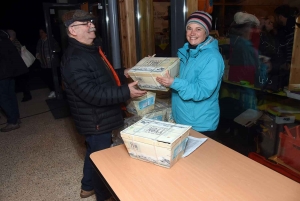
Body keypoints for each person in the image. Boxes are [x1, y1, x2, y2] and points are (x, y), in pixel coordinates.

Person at [60, 10, 146, 200]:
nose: (92, 25)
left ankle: (87, 186)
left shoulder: (88, 50)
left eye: (91, 21)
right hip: (95, 119)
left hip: (97, 116)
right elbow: (92, 93)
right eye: (85, 23)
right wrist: (126, 91)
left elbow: (101, 77)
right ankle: (102, 195)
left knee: (94, 152)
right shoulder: (75, 59)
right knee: (103, 162)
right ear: (72, 30)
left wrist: (123, 72)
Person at [156, 11, 224, 139]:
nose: (192, 33)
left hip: (200, 125)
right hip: (182, 120)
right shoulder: (186, 53)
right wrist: (154, 66)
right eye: (189, 28)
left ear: (206, 32)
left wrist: (174, 83)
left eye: (198, 29)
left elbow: (202, 90)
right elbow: (178, 76)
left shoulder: (213, 58)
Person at [0, 29, 28, 132]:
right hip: (11, 72)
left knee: (3, 97)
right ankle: (16, 118)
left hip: (2, 74)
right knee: (11, 95)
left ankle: (13, 121)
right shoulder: (5, 38)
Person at [7, 29, 32, 102]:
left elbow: (16, 54)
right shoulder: (14, 42)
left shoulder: (15, 42)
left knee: (22, 81)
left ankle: (27, 95)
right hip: (19, 66)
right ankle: (26, 95)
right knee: (21, 82)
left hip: (19, 66)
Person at [274, 4, 296, 86]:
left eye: (276, 17)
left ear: (280, 17)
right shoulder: (292, 26)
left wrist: (289, 63)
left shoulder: (290, 29)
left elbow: (292, 46)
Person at [36, 27, 61, 99]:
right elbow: (37, 50)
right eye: (40, 32)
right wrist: (38, 55)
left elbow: (58, 49)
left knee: (55, 78)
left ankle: (57, 91)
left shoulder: (51, 40)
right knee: (47, 78)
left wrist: (52, 53)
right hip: (43, 64)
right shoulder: (40, 41)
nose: (40, 34)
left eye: (42, 32)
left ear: (46, 33)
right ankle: (53, 90)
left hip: (52, 64)